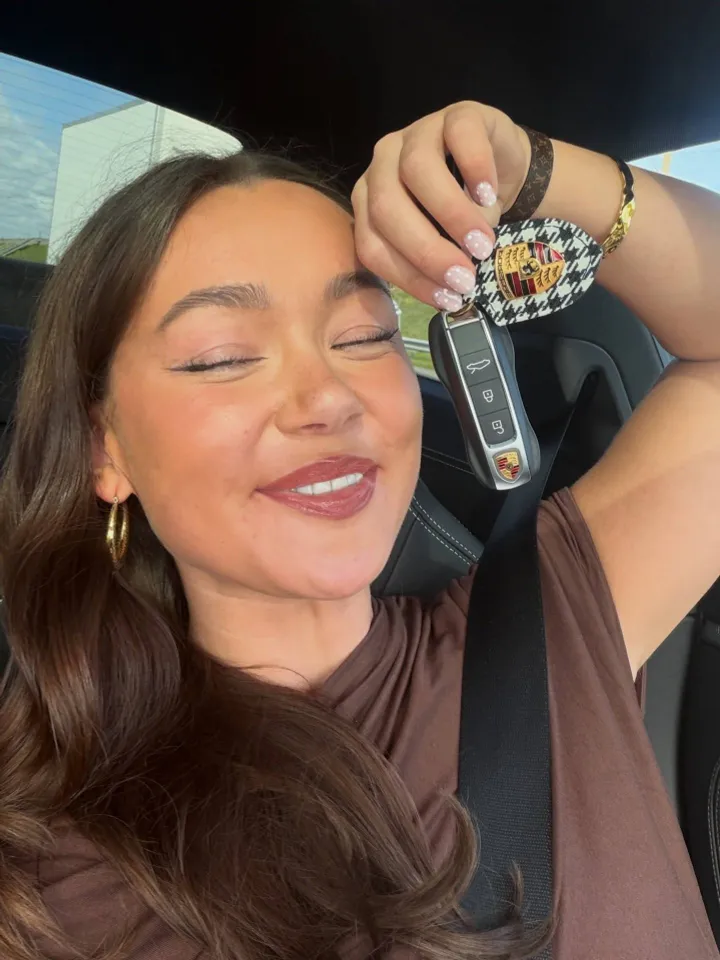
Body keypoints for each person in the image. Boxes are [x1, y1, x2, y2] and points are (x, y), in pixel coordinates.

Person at [0, 100, 718, 960]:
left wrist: (539, 174)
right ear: (103, 448)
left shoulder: (550, 621)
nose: (328, 398)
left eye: (366, 336)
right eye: (224, 356)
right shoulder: (47, 869)